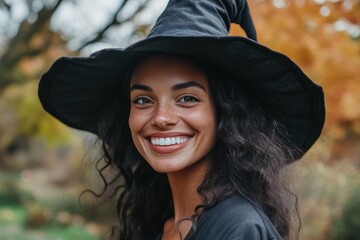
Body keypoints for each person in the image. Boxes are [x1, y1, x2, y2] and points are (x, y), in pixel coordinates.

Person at [38, 0, 325, 239]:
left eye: (187, 98)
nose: (161, 118)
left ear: (225, 112)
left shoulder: (238, 228)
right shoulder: (159, 223)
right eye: (142, 100)